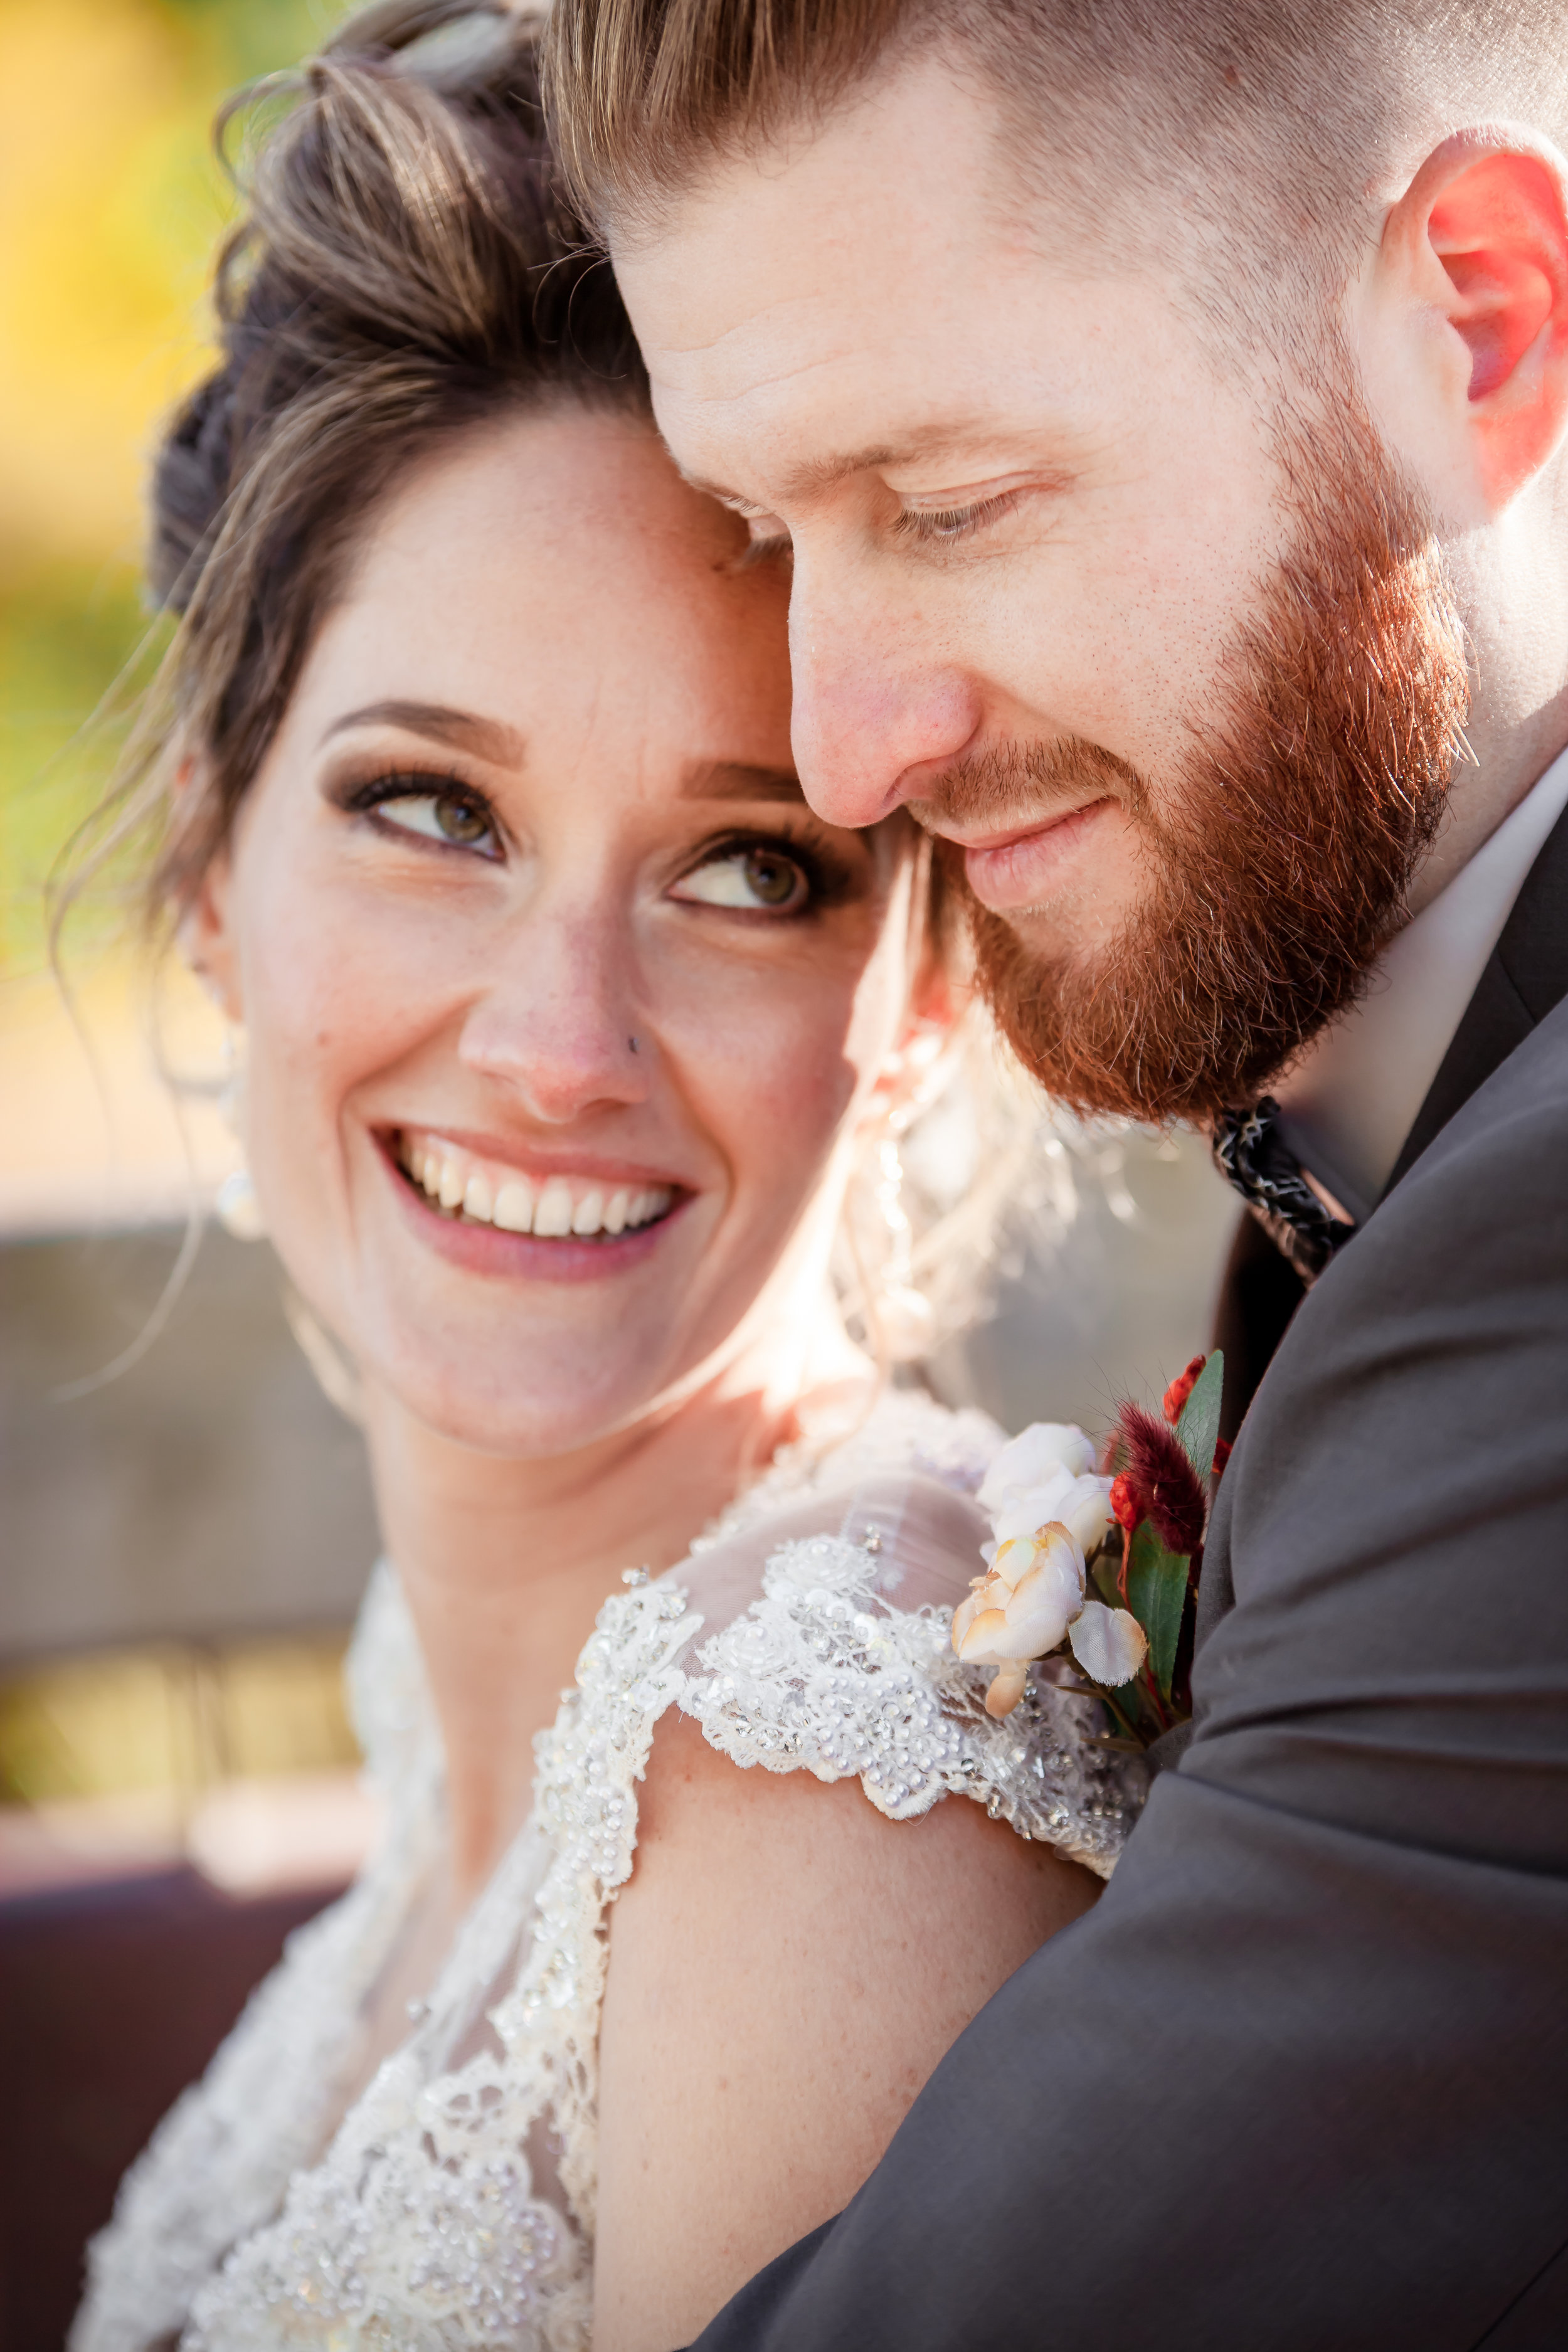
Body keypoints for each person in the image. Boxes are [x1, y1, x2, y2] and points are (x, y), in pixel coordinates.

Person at [66, 10, 1139, 2348]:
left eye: (753, 868)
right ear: (210, 869)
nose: (559, 1049)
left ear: (932, 978)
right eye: (431, 810)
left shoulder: (814, 1758)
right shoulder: (461, 1715)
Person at [543, 1, 1568, 2345]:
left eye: (951, 504)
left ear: (1480, 329)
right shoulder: (1387, 1112)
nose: (841, 751)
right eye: (763, 530)